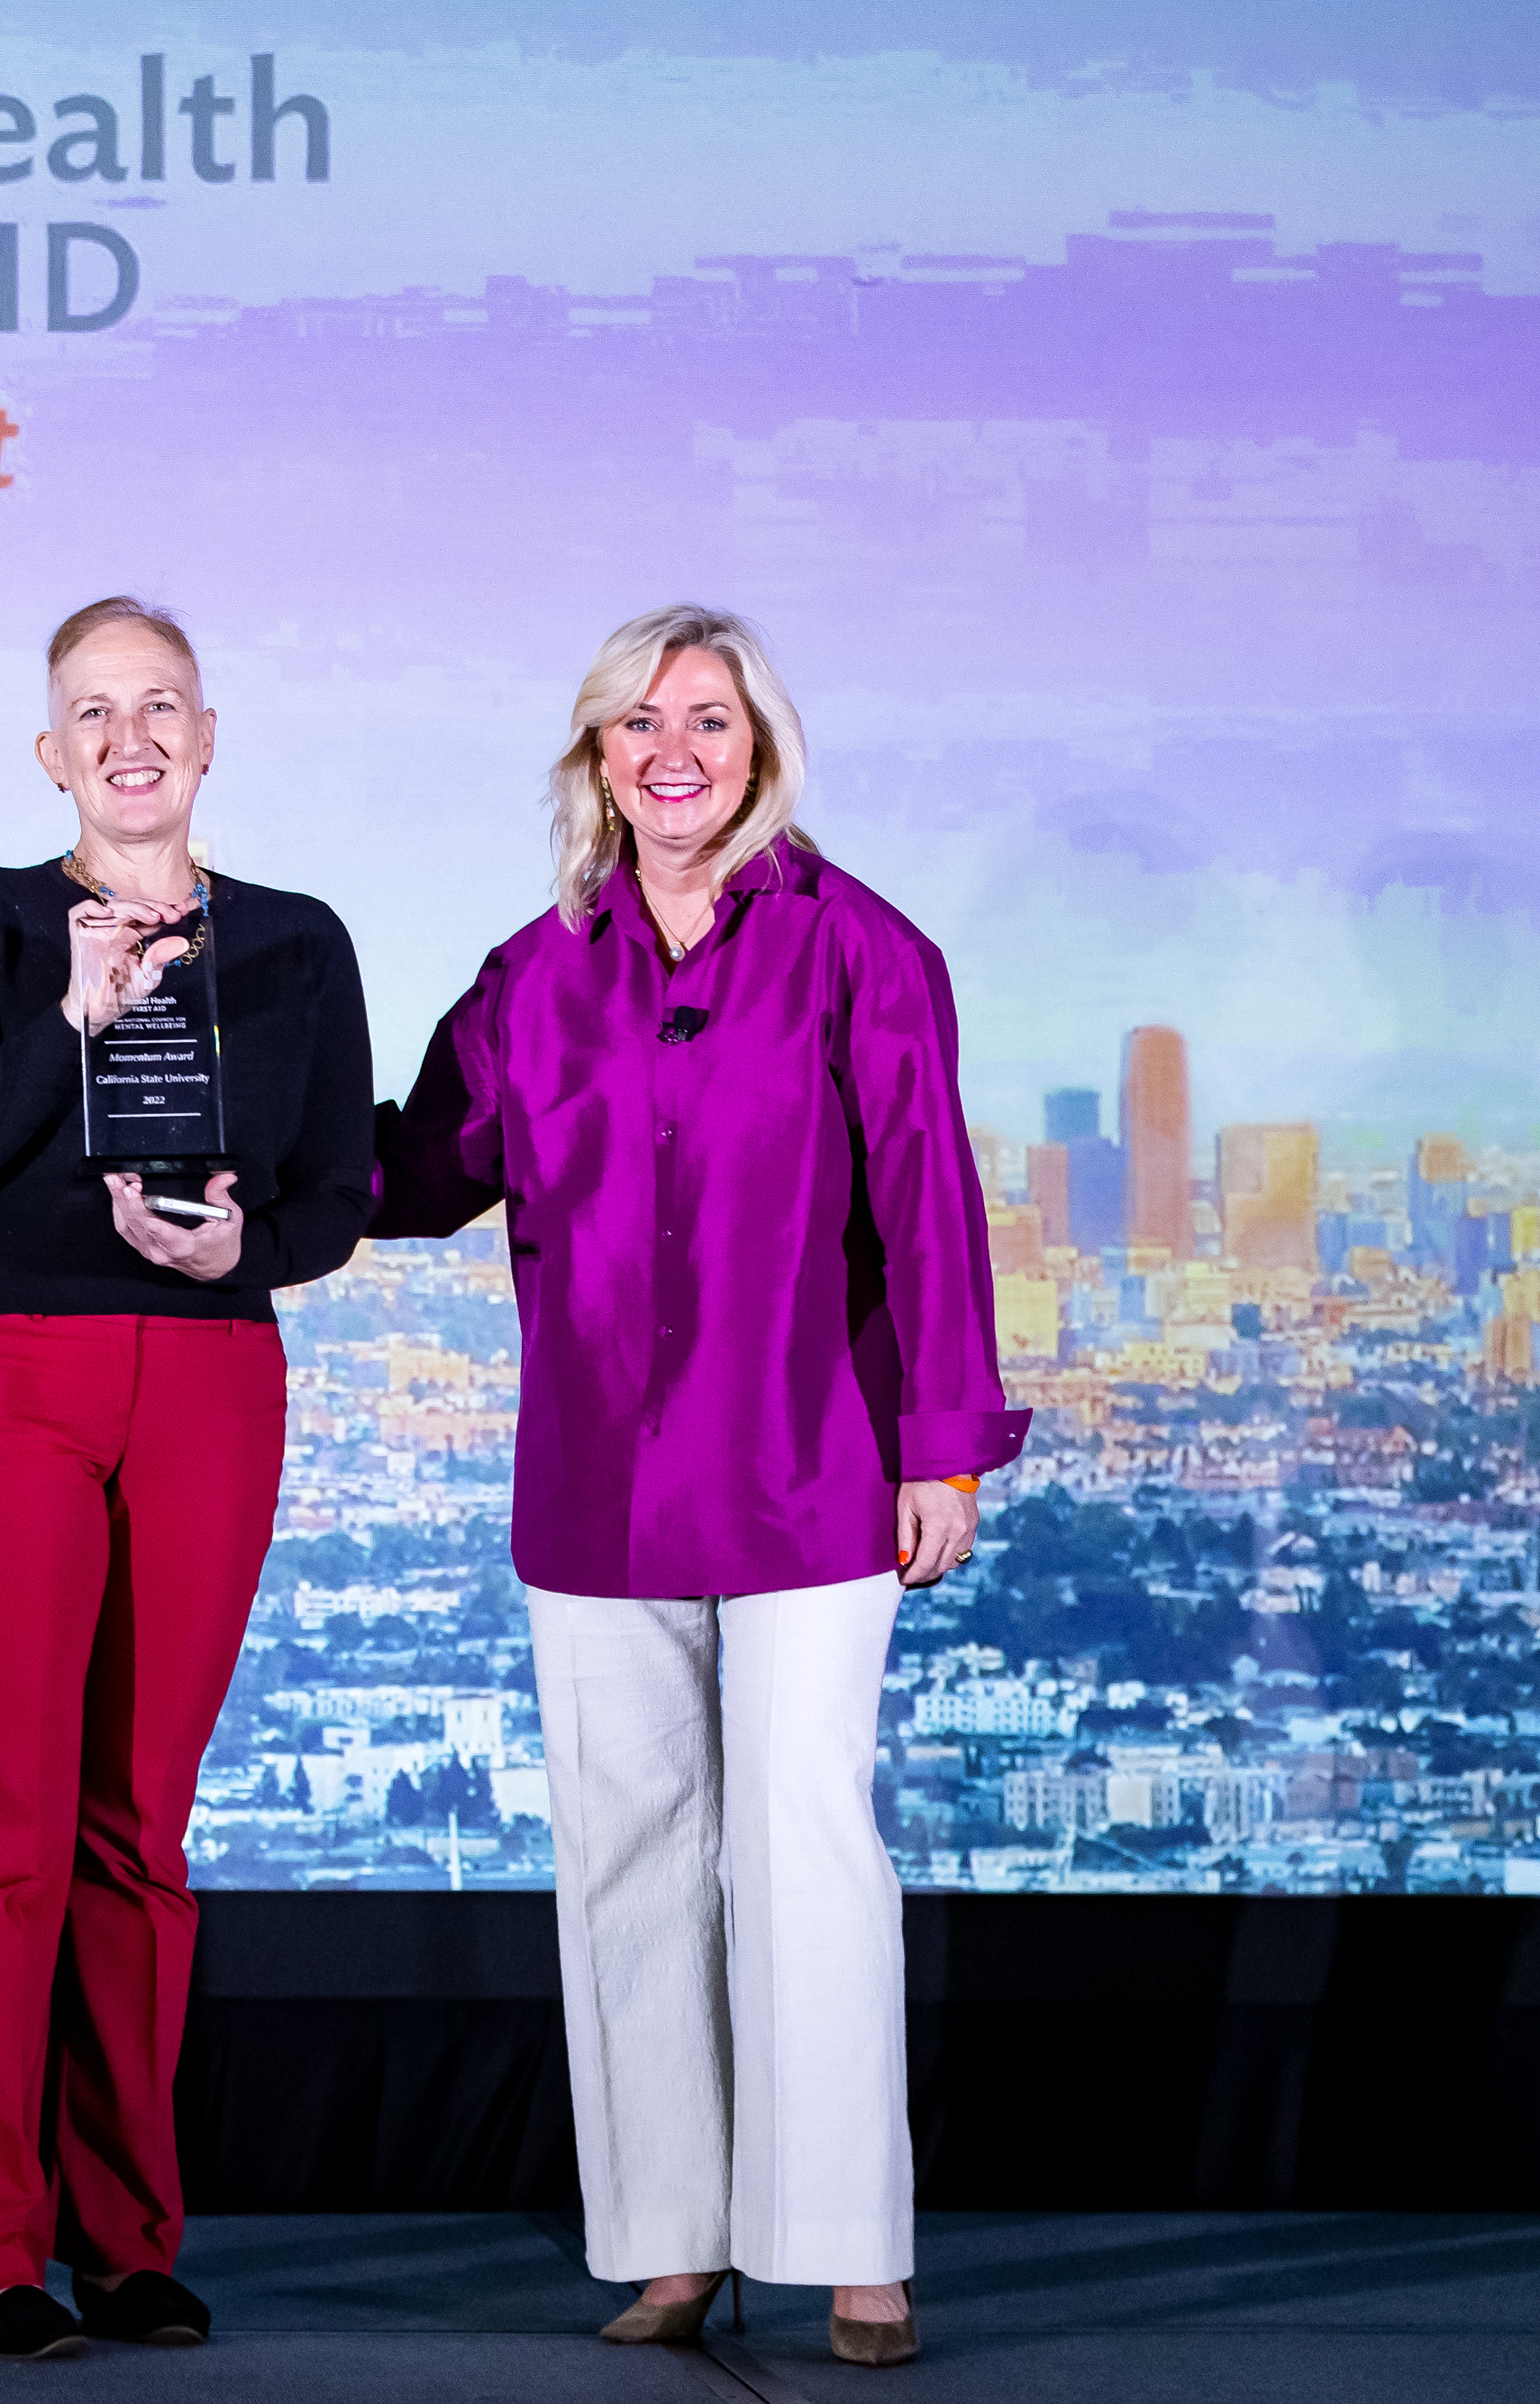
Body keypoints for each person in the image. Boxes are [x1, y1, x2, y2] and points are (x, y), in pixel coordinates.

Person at [370, 605, 1027, 2372]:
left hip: (812, 1462)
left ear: (759, 748)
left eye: (708, 720)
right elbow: (421, 1161)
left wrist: (941, 1440)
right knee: (626, 1858)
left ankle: (846, 2247)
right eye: (637, 721)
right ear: (594, 753)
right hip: (594, 1478)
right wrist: (232, 1152)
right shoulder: (532, 970)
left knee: (803, 1842)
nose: (672, 749)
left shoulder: (858, 950)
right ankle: (667, 2237)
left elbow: (928, 1206)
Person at [0, 598, 374, 2360]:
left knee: (136, 1828)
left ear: (209, 730)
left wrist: (248, 1236)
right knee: (7, 1819)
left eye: (157, 701)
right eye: (91, 709)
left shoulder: (299, 944)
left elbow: (337, 1186)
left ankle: (127, 2234)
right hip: (9, 1363)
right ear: (49, 749)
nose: (127, 733)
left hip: (212, 1376)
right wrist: (73, 1012)